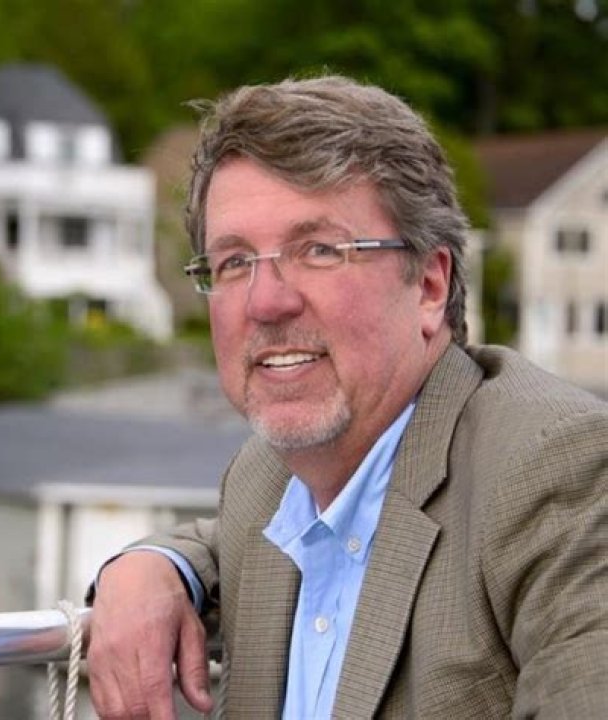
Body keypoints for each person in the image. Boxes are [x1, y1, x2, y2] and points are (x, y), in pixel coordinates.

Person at [86, 76, 608, 719]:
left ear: (429, 285)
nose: (266, 301)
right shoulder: (266, 481)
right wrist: (152, 566)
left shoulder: (560, 471)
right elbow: (223, 540)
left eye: (319, 250)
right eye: (234, 262)